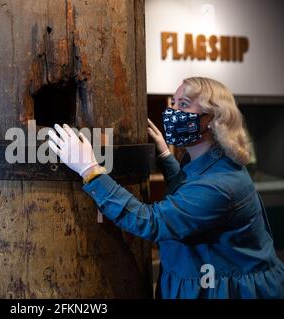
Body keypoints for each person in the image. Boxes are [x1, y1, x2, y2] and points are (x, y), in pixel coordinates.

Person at [47, 77, 284, 299]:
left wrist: (90, 170)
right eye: (174, 102)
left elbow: (154, 222)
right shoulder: (209, 162)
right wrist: (164, 155)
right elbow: (189, 194)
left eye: (184, 104)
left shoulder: (221, 185)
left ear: (212, 118)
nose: (173, 112)